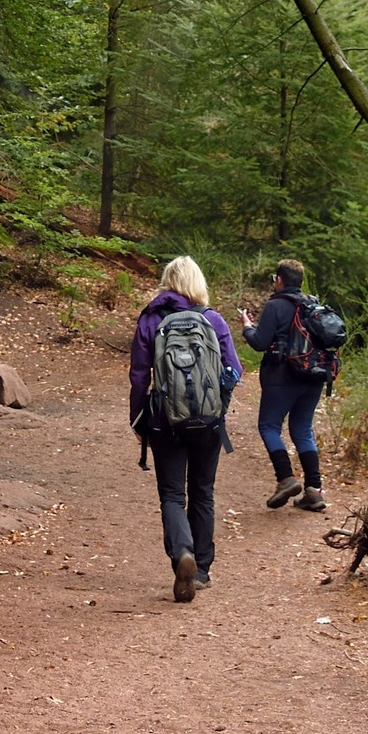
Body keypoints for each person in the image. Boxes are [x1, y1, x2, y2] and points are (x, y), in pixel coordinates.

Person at [130, 255, 242, 604]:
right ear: (197, 283)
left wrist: (139, 420)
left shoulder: (151, 319)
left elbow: (138, 375)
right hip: (208, 422)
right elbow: (234, 370)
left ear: (167, 282)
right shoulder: (213, 320)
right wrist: (216, 406)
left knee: (172, 494)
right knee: (203, 491)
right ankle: (203, 569)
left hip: (165, 420)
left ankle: (182, 554)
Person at [240, 259, 329, 512]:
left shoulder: (275, 305)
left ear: (279, 280)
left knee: (269, 426)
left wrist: (247, 327)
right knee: (302, 430)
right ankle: (314, 490)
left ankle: (286, 478)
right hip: (313, 377)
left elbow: (259, 342)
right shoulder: (312, 303)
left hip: (281, 376)